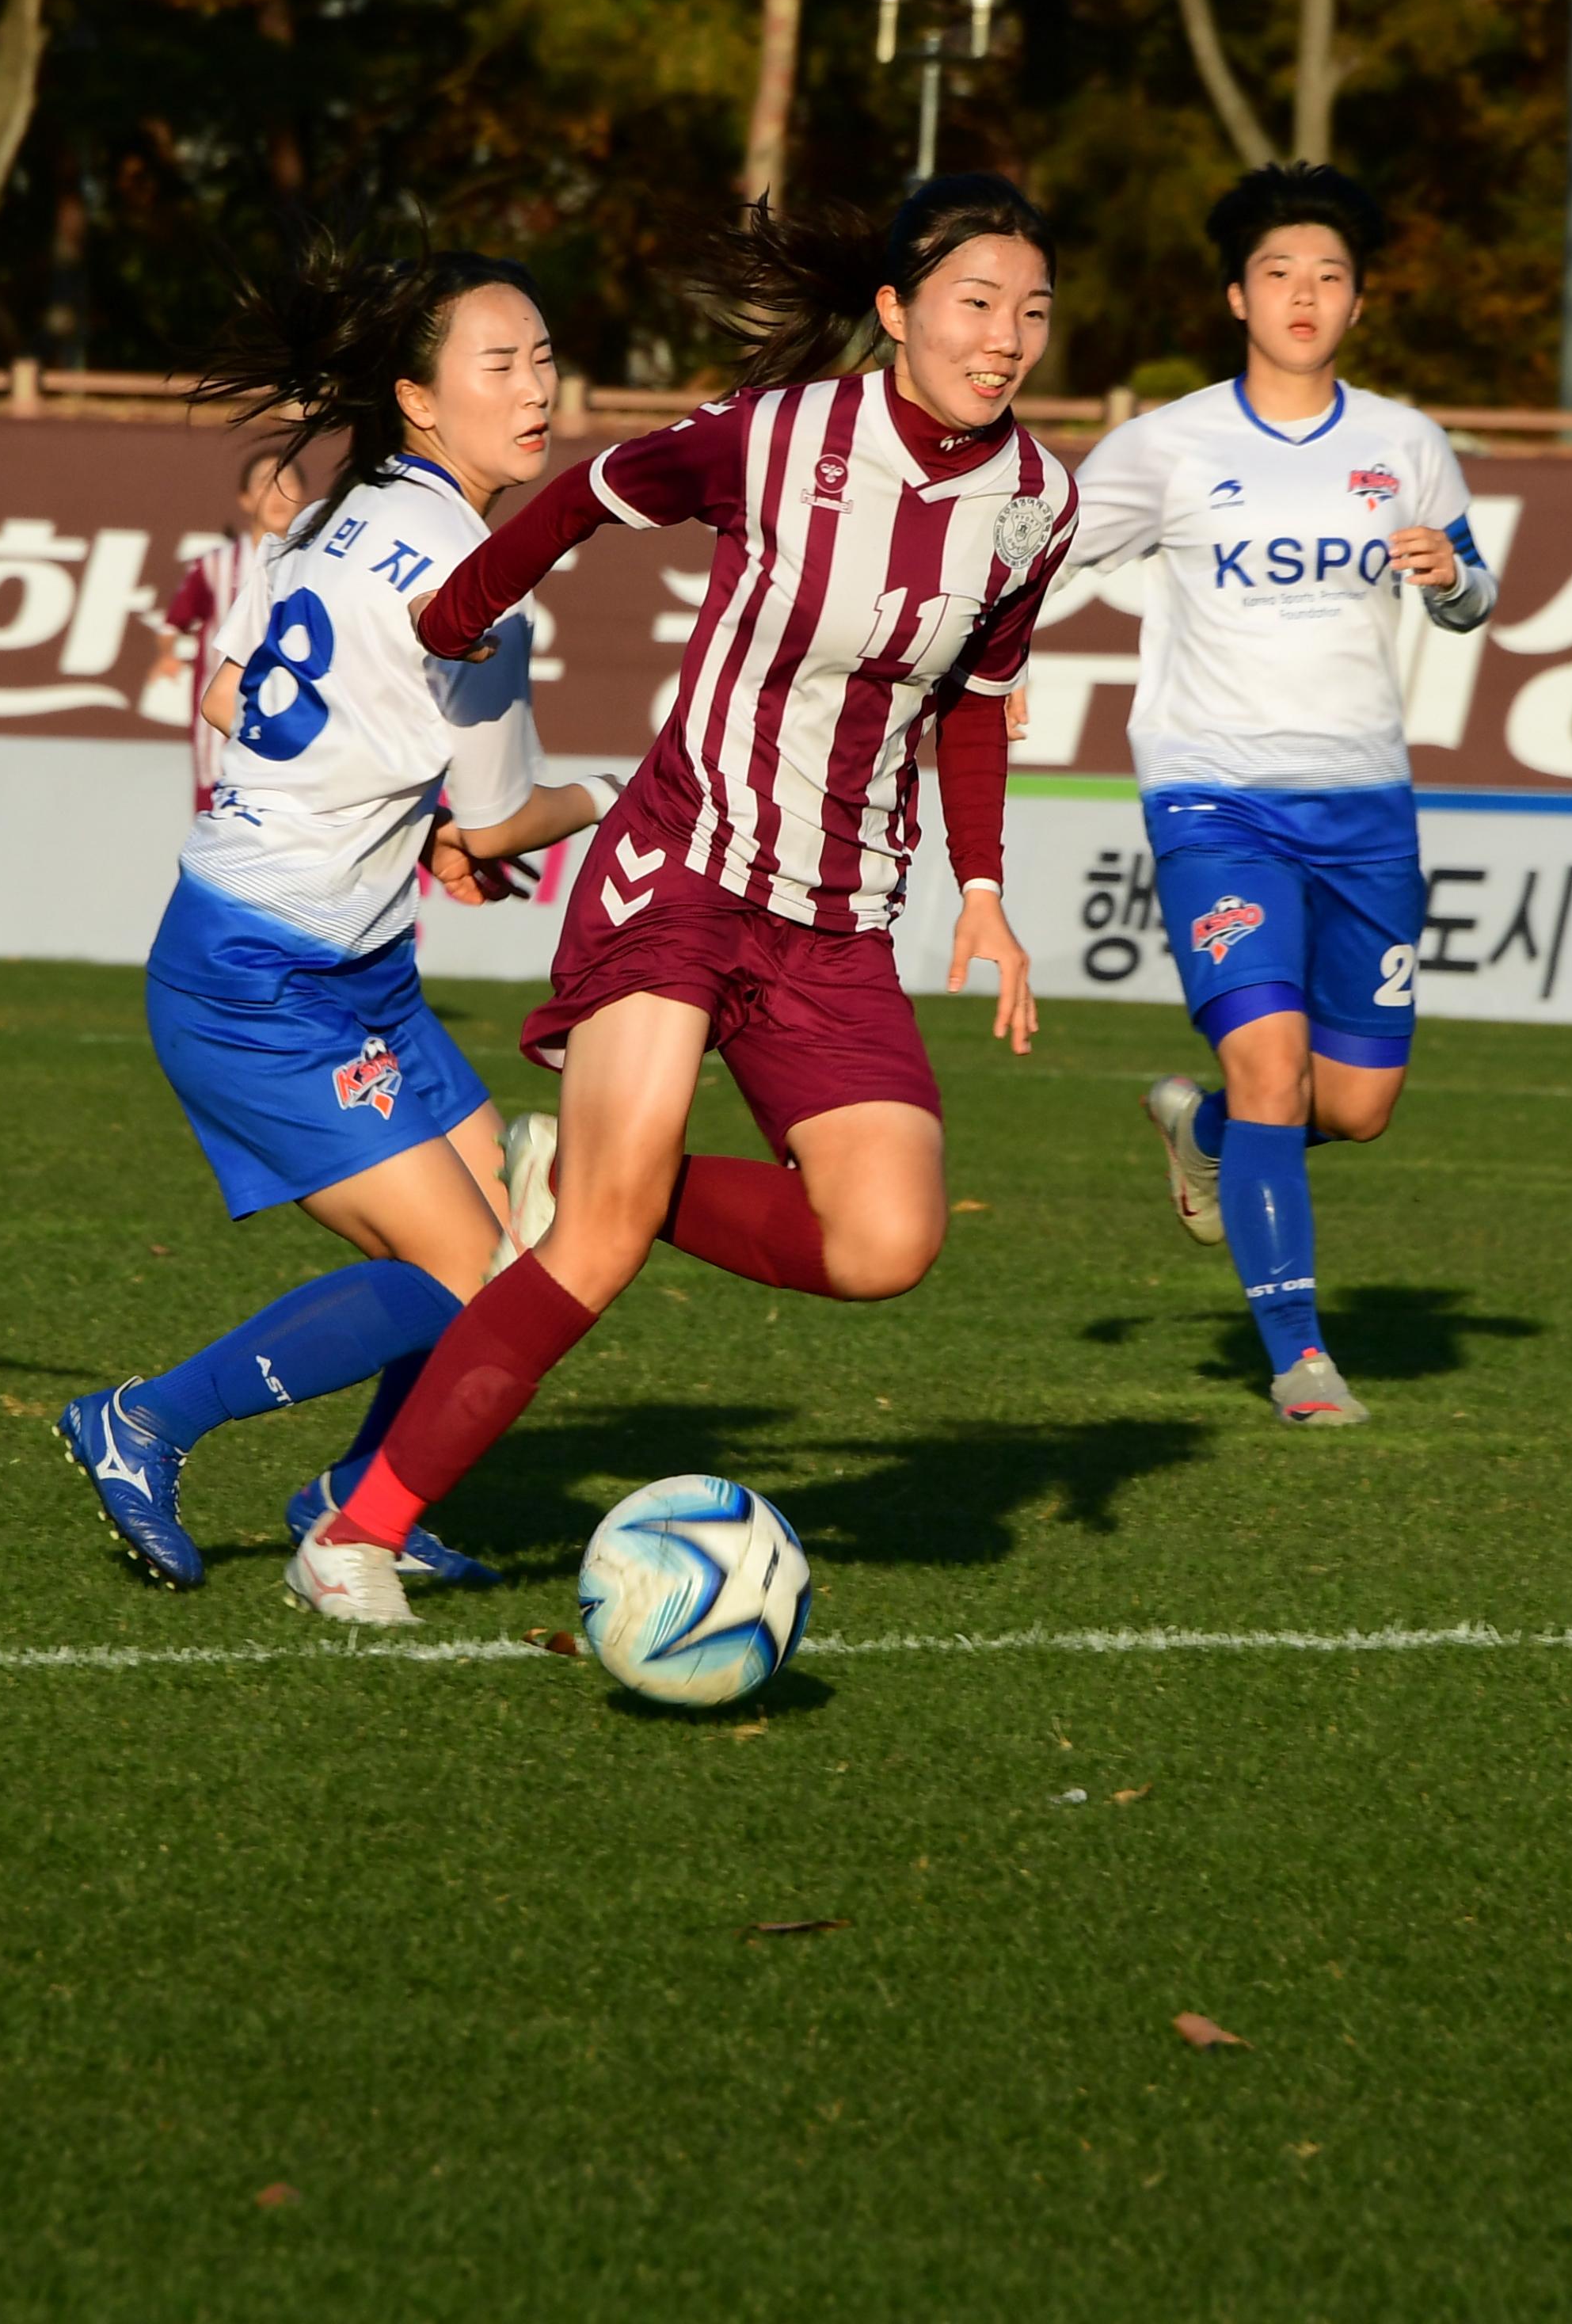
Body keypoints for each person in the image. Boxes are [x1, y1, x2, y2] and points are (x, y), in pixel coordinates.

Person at [274, 173, 1075, 1624]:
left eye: (1029, 310)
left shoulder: (1037, 503)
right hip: (684, 867)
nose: (1005, 335)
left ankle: (580, 1167)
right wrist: (455, 613)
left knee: (885, 1241)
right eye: (974, 303)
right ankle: (358, 1530)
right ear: (894, 312)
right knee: (597, 1239)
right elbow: (588, 488)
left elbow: (973, 700)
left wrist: (984, 889)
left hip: (837, 912)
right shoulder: (777, 436)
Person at [57, 243, 610, 1591]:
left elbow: (233, 694)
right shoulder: (473, 582)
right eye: (500, 364)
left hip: (332, 963)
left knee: (516, 1246)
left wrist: (416, 822)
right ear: (420, 398)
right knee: (476, 1269)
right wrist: (617, 787)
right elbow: (495, 823)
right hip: (263, 978)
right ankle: (142, 1421)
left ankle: (367, 1498)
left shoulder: (335, 515)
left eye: (542, 358)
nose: (534, 387)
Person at [1082, 163, 1495, 1423]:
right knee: (1273, 1067)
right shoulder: (1166, 445)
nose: (1303, 295)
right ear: (1236, 298)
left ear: (1358, 305)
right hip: (1218, 802)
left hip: (1365, 804)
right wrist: (992, 679)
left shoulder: (1405, 443)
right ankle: (1301, 1358)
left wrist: (1447, 576)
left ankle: (1202, 1131)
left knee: (1353, 1107)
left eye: (1328, 276)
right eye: (1279, 274)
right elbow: (1037, 558)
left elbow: (1476, 597)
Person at [145, 446, 314, 805]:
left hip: (295, 717)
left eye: (288, 483)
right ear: (244, 498)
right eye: (265, 485)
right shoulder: (215, 566)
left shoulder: (319, 565)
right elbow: (173, 624)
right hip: (223, 717)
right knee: (217, 813)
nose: (278, 494)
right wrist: (166, 656)